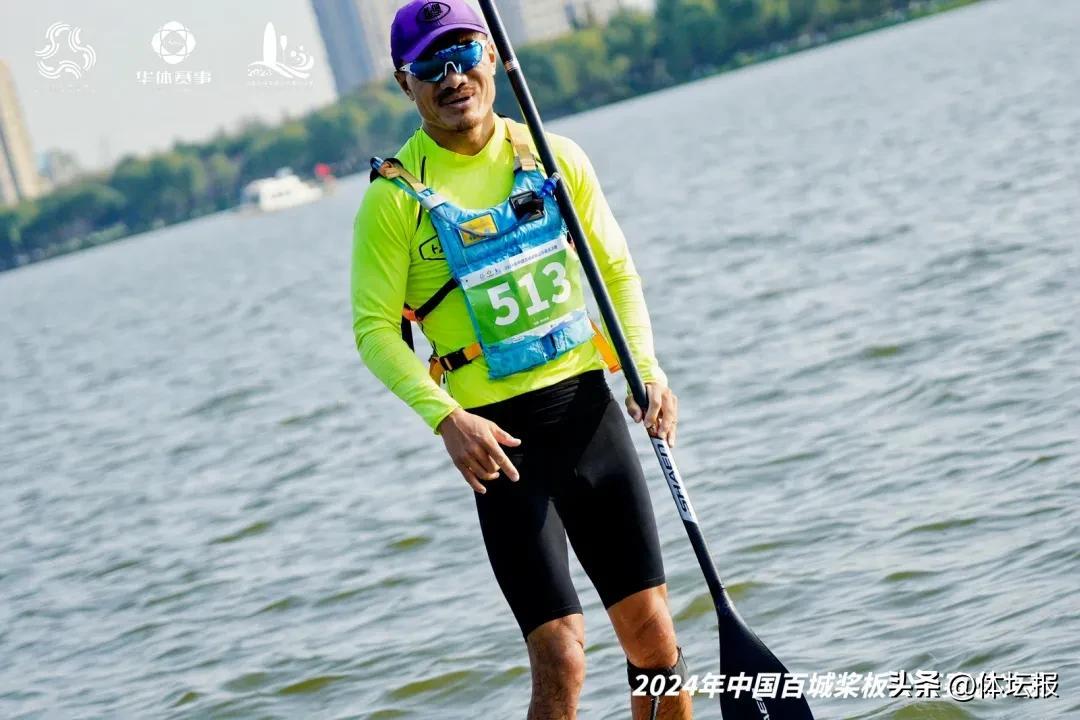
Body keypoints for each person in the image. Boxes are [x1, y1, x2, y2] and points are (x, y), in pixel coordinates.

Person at [351, 2, 692, 717]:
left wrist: (646, 369)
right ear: (405, 84)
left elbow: (615, 270)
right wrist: (446, 419)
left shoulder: (554, 156)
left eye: (464, 54)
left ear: (490, 56)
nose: (453, 76)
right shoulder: (393, 201)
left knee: (655, 640)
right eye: (430, 65)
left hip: (588, 415)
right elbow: (374, 332)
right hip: (498, 445)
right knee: (561, 656)